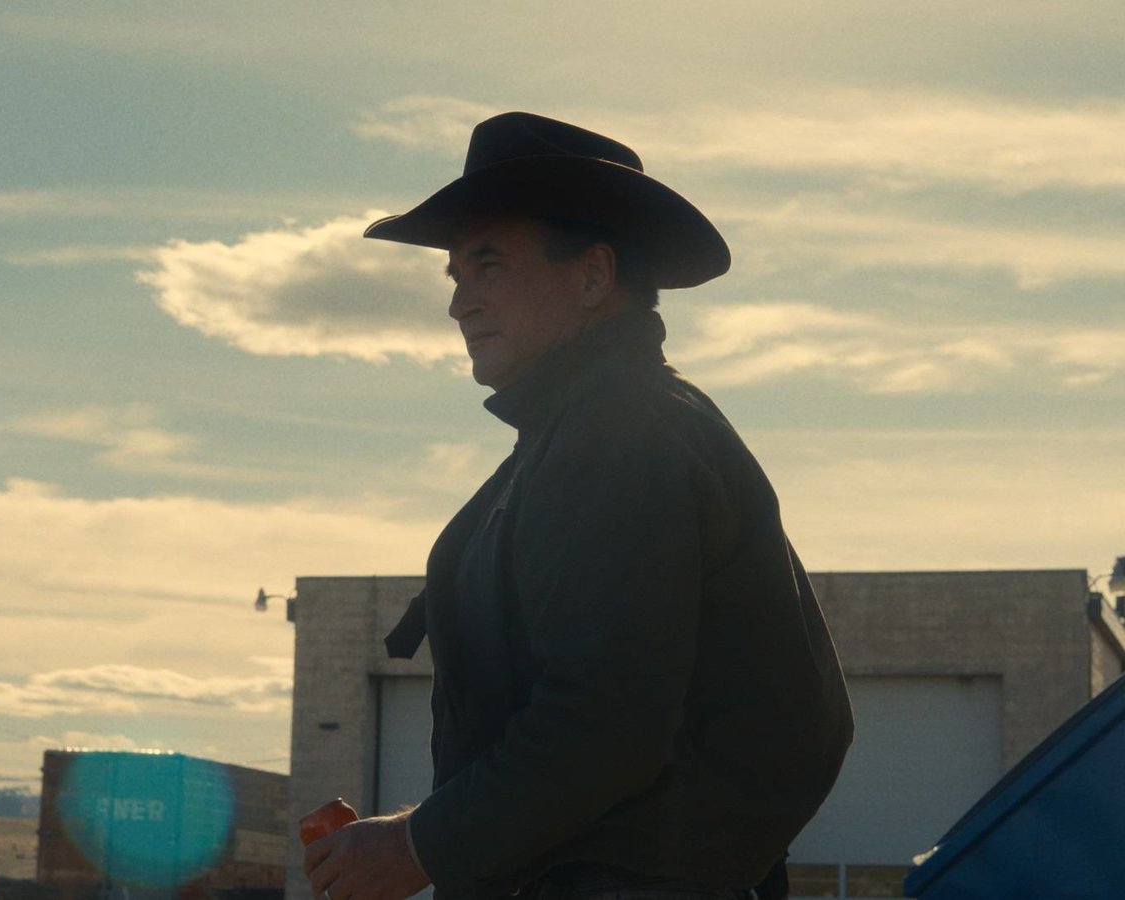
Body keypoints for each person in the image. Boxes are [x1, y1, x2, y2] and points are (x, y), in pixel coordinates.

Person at [302, 112, 853, 900]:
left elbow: (604, 719)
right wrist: (425, 839)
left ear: (593, 277)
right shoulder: (591, 431)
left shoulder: (621, 434)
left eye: (488, 265)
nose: (460, 304)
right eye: (455, 276)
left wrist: (419, 845)